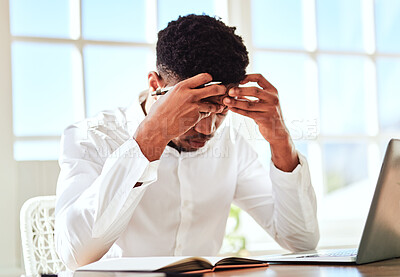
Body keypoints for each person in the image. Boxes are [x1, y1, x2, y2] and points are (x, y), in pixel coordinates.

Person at [55, 14, 319, 270]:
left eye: (220, 110)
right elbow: (75, 255)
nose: (208, 128)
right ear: (155, 85)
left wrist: (280, 139)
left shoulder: (232, 146)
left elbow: (300, 240)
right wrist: (150, 139)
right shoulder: (90, 137)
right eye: (196, 109)